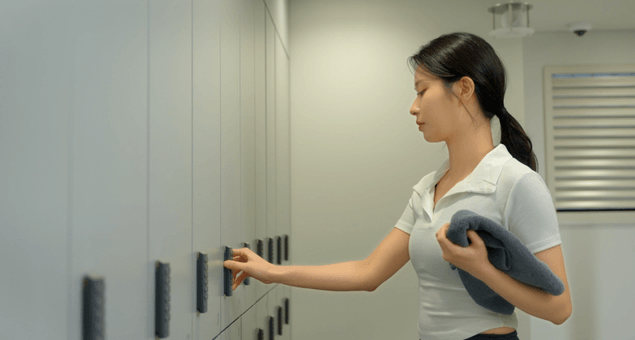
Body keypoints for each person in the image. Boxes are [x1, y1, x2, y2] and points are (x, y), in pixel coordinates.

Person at [223, 32, 572, 340]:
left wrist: (481, 268)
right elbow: (368, 272)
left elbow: (559, 308)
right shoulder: (428, 188)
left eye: (422, 91)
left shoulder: (517, 183)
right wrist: (271, 272)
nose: (413, 107)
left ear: (464, 89)